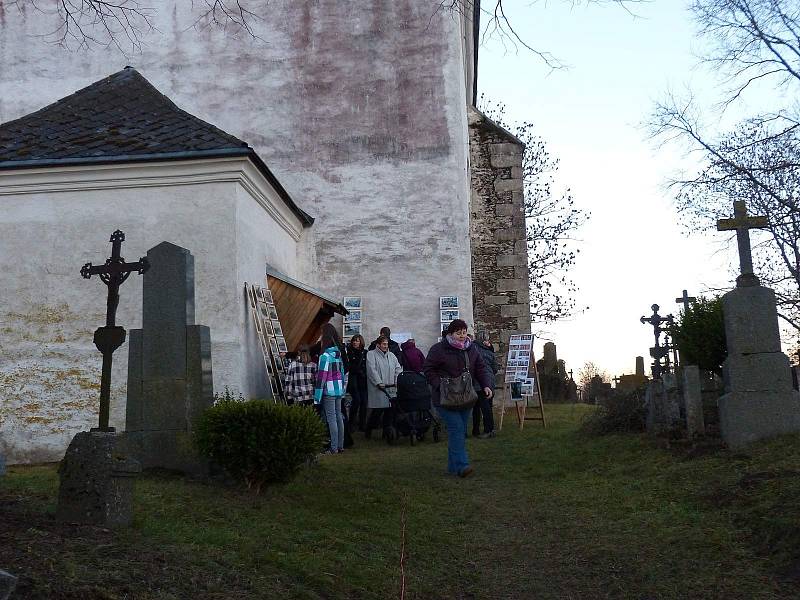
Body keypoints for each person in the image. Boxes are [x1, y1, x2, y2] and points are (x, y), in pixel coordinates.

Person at [423, 319, 492, 478]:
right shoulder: (439, 349)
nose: (462, 336)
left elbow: (481, 368)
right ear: (450, 333)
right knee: (457, 429)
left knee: (459, 431)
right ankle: (462, 465)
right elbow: (428, 369)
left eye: (464, 332)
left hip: (465, 397)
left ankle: (453, 467)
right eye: (458, 333)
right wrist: (438, 385)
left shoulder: (472, 349)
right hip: (445, 398)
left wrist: (486, 385)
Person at [314, 323, 347, 454]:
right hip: (338, 389)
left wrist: (317, 397)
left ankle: (333, 448)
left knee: (331, 418)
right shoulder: (337, 354)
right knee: (339, 416)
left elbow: (321, 378)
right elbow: (343, 373)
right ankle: (340, 445)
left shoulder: (324, 356)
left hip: (328, 391)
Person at [365, 334, 403, 438]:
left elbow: (398, 369)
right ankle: (369, 428)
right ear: (378, 344)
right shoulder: (371, 354)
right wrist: (378, 382)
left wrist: (397, 380)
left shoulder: (391, 356)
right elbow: (371, 370)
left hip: (391, 387)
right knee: (378, 410)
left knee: (389, 410)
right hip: (379, 387)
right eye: (383, 344)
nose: (385, 346)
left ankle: (386, 432)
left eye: (386, 344)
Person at [472, 332, 498, 438]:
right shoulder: (490, 352)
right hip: (489, 381)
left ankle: (477, 430)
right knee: (487, 407)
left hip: (478, 381)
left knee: (476, 407)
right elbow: (495, 368)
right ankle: (489, 429)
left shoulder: (472, 349)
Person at [346, 334, 369, 432]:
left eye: (357, 341)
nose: (355, 342)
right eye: (354, 341)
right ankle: (351, 423)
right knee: (357, 400)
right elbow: (349, 366)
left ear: (361, 342)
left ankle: (362, 424)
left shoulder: (365, 352)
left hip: (362, 379)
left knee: (364, 402)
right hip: (353, 379)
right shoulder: (349, 352)